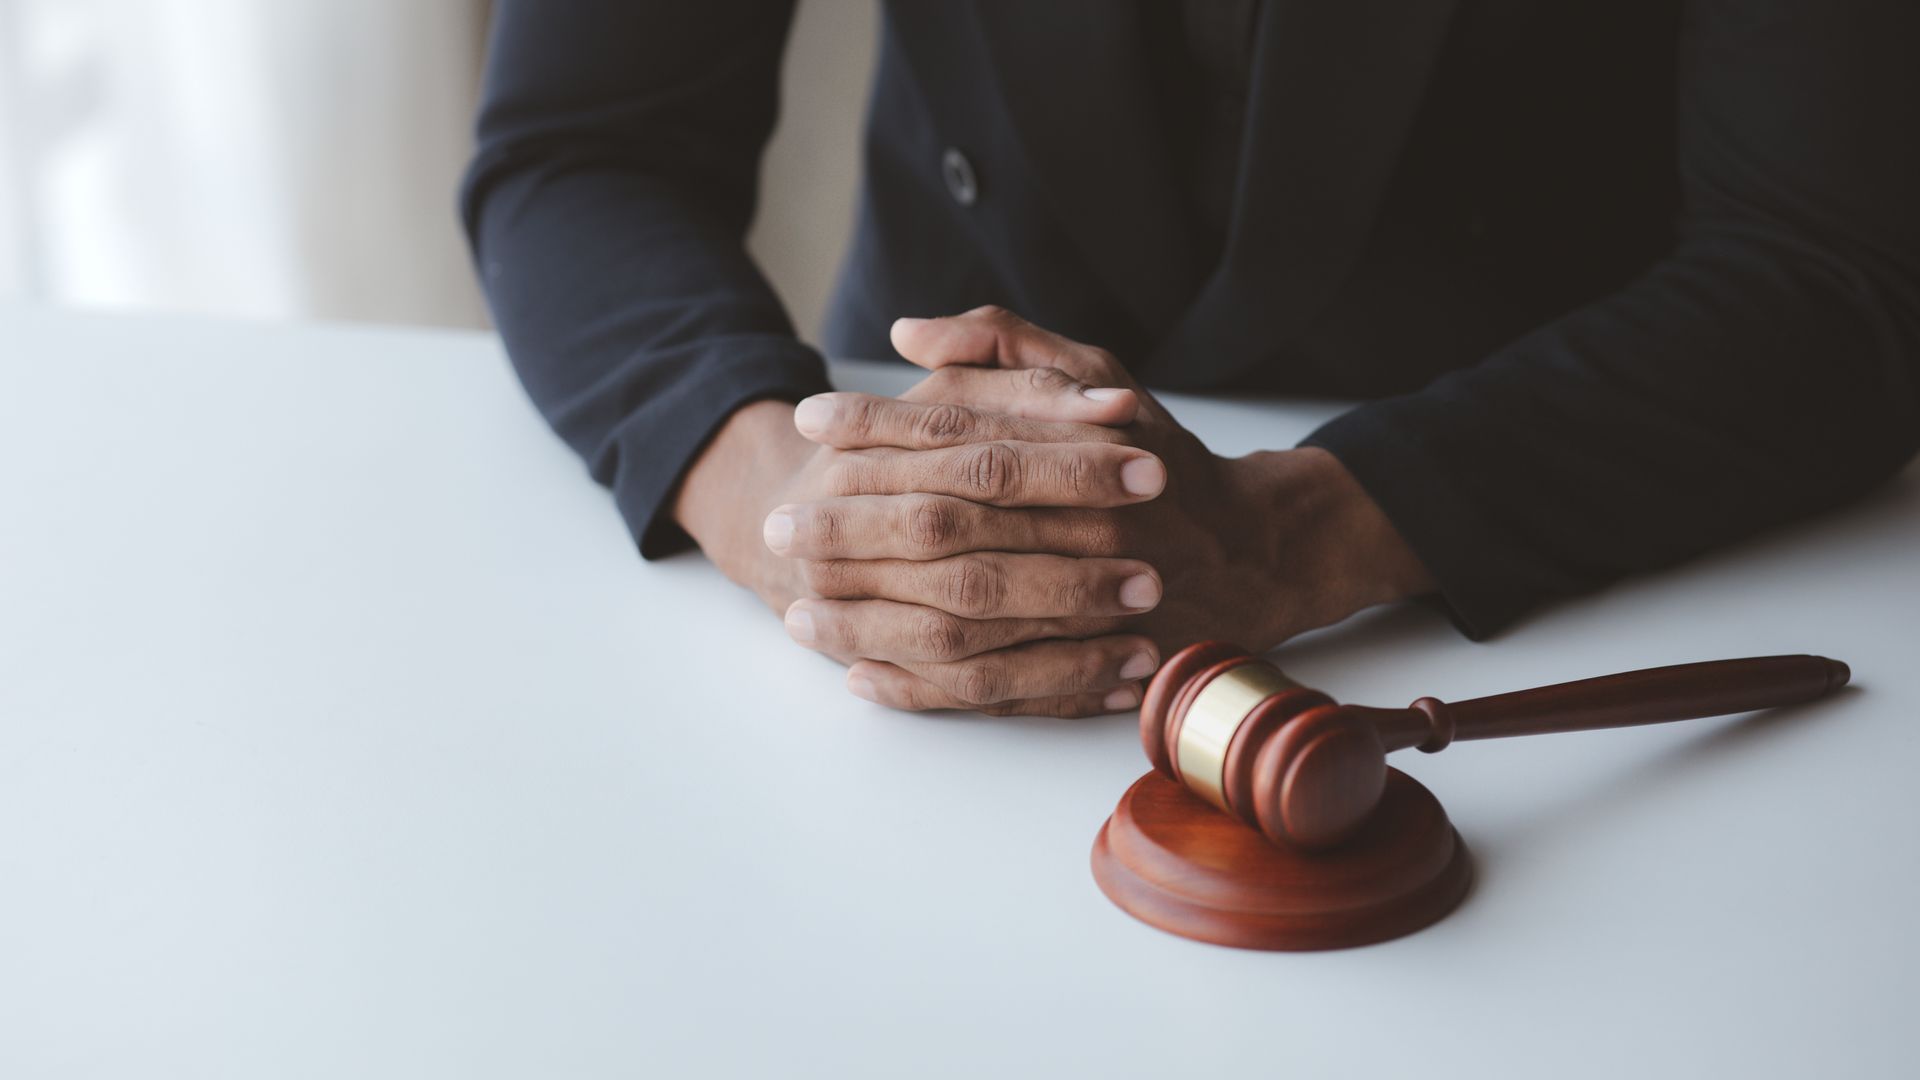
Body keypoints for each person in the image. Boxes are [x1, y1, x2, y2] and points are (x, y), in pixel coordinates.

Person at [461, 1, 1919, 717]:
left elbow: (1831, 263)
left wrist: (1300, 532)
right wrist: (804, 521)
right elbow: (583, 149)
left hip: (1526, 564)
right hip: (888, 592)